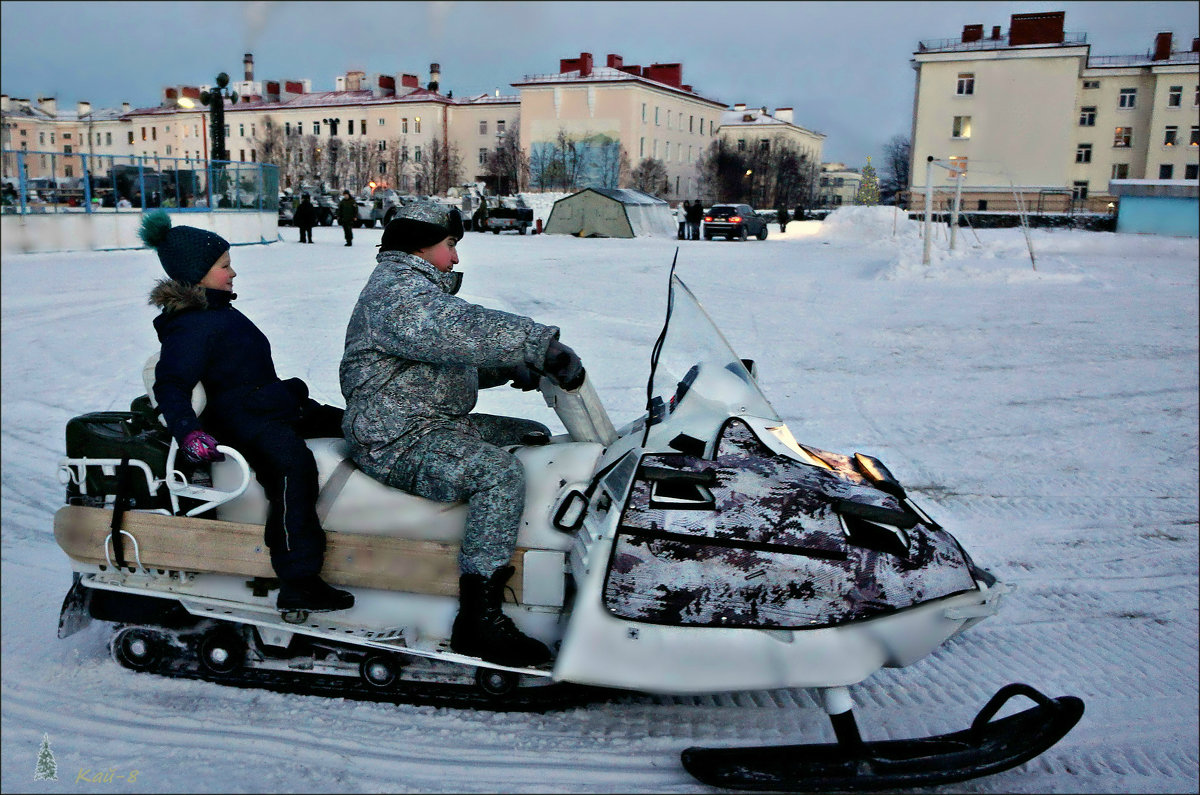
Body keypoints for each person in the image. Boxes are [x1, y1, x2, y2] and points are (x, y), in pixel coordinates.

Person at [340, 201, 585, 667]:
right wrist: (537, 345)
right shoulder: (398, 294)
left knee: (532, 435)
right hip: (394, 437)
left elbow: (436, 363)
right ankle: (479, 619)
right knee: (498, 473)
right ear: (420, 245)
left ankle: (538, 552)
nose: (455, 259)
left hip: (428, 419)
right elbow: (459, 328)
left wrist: (509, 366)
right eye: (450, 246)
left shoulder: (416, 292)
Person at [138, 210, 354, 615]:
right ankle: (299, 580)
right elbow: (171, 384)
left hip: (270, 404)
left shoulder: (216, 311)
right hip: (245, 420)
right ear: (197, 273)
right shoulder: (190, 326)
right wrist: (188, 432)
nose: (232, 272)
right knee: (293, 468)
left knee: (355, 424)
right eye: (224, 266)